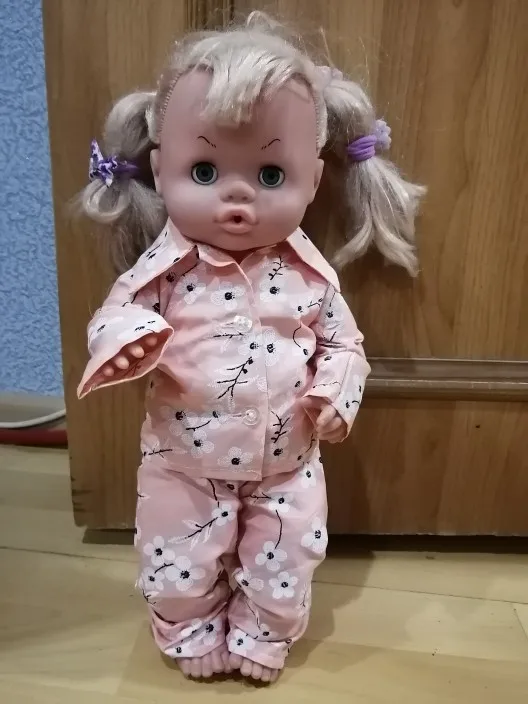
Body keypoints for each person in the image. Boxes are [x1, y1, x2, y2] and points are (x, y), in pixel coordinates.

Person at [76, 11, 424, 683]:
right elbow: (115, 314)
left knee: (287, 562)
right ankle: (188, 628)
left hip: (287, 465)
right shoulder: (162, 272)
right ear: (160, 170)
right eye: (205, 170)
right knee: (175, 561)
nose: (237, 197)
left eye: (269, 176)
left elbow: (344, 342)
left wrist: (335, 394)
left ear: (313, 181)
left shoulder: (311, 278)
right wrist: (130, 340)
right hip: (183, 462)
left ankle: (264, 634)